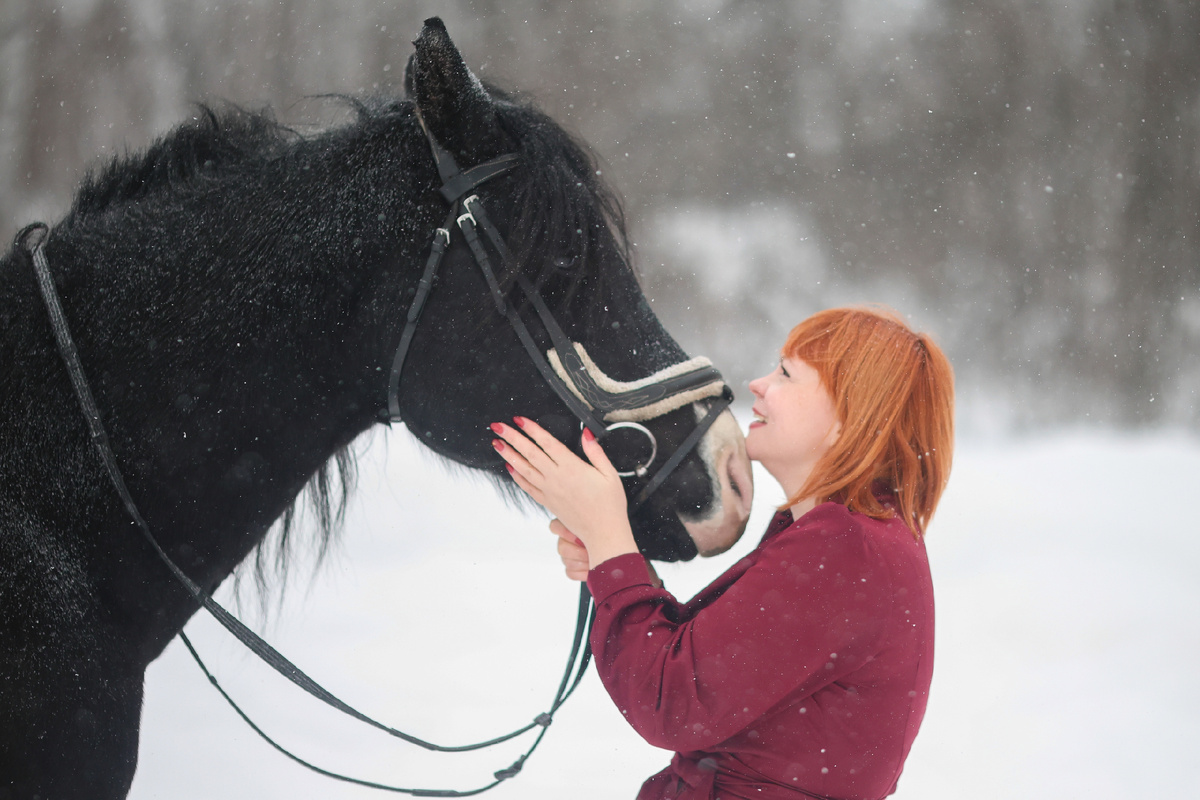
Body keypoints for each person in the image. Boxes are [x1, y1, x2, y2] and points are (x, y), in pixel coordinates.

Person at [489, 306, 954, 800]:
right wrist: (618, 568)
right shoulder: (861, 539)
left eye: (786, 374)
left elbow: (671, 700)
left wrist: (609, 540)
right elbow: (708, 678)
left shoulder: (845, 548)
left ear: (847, 419)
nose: (757, 384)